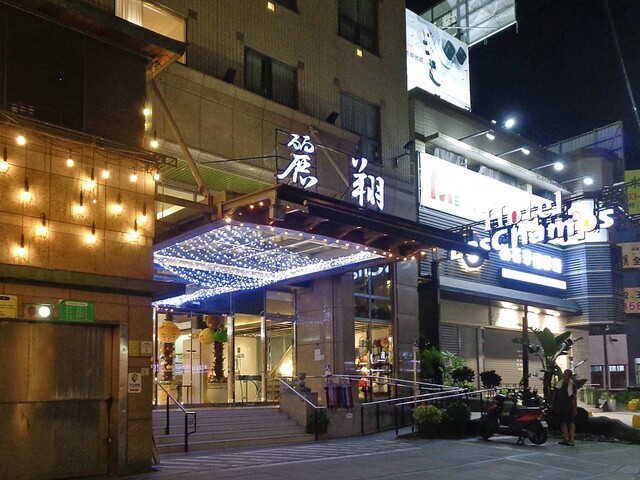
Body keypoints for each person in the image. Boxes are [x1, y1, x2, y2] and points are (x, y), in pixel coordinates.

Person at [555, 369, 578, 446]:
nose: (565, 375)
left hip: (569, 405)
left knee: (571, 422)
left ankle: (572, 439)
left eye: (567, 374)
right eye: (565, 374)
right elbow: (556, 395)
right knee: (562, 422)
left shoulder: (572, 385)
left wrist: (574, 408)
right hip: (560, 405)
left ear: (570, 376)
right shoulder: (559, 384)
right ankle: (566, 437)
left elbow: (574, 397)